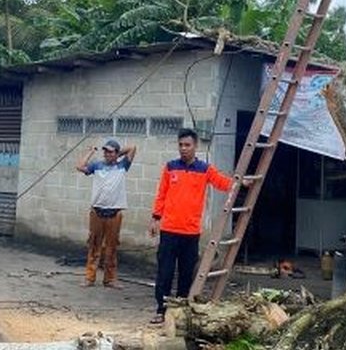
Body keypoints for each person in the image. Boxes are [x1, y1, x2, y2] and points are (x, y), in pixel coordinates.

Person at [149, 128, 246, 324]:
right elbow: (162, 194)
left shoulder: (205, 169)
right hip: (169, 230)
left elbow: (222, 182)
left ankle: (181, 311)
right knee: (165, 273)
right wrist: (155, 218)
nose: (183, 149)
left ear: (196, 146)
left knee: (186, 274)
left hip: (191, 232)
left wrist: (240, 183)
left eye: (187, 145)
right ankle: (161, 309)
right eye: (181, 145)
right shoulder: (170, 167)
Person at [75, 138, 137, 288]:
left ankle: (110, 279)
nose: (107, 154)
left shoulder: (123, 166)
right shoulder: (97, 166)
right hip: (97, 212)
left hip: (114, 214)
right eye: (106, 151)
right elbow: (79, 166)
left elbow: (132, 147)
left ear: (116, 153)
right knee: (94, 245)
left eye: (110, 151)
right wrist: (91, 152)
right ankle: (89, 278)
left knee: (112, 247)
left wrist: (117, 155)